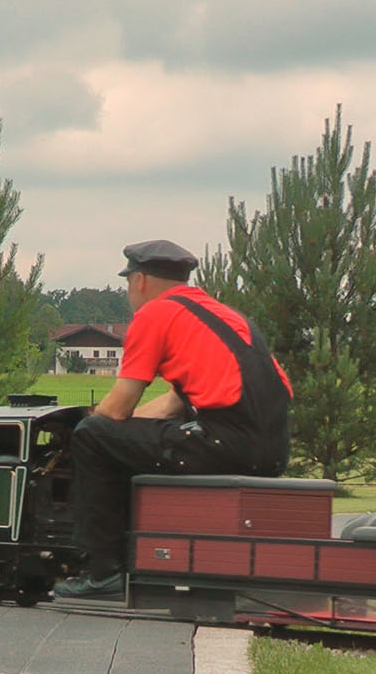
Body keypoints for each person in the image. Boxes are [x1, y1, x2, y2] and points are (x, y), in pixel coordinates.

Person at [53, 239, 293, 599]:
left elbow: (116, 409)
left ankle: (103, 573)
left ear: (140, 280)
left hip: (222, 443)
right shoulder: (225, 317)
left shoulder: (155, 314)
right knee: (108, 435)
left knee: (90, 435)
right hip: (272, 450)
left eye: (128, 282)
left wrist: (86, 426)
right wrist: (118, 430)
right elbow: (168, 407)